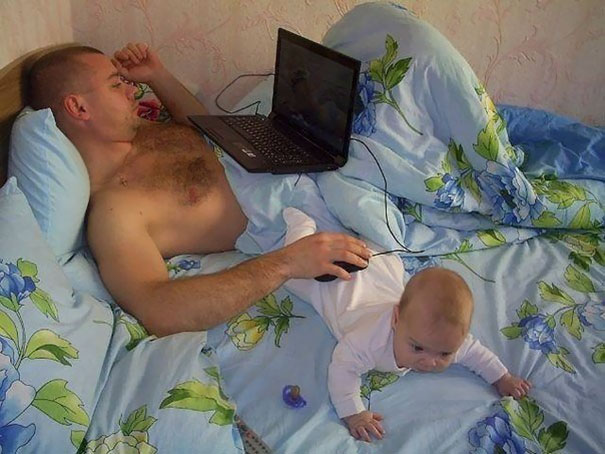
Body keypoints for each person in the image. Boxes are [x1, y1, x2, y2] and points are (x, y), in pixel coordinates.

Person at [27, 43, 371, 337]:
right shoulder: (115, 212)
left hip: (299, 160)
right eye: (116, 85)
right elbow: (157, 309)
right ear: (79, 107)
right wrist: (287, 263)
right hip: (298, 214)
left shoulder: (137, 132)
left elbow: (200, 132)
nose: (132, 90)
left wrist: (158, 75)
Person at [282, 207, 532, 443]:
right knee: (293, 277)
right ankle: (302, 227)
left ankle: (360, 234)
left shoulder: (442, 338)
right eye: (417, 348)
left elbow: (476, 353)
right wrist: (354, 414)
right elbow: (343, 368)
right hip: (336, 286)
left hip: (378, 278)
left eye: (445, 354)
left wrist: (502, 378)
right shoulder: (369, 341)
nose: (431, 362)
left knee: (385, 257)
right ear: (396, 319)